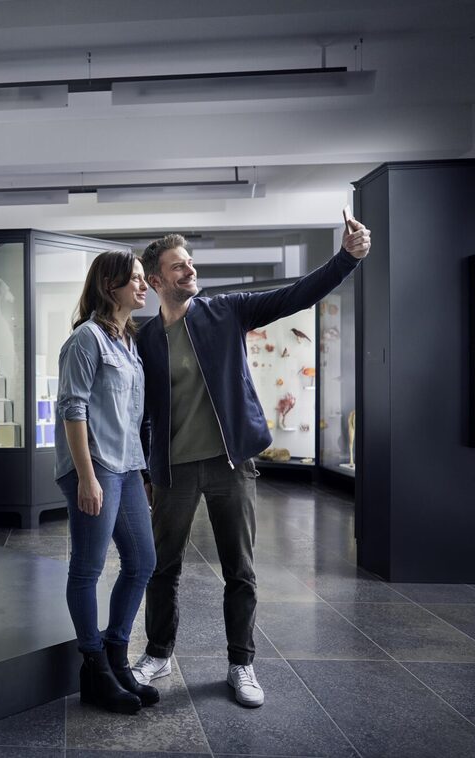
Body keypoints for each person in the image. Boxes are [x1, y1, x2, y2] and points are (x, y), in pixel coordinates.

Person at [132, 212, 372, 707]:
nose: (189, 271)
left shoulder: (227, 311)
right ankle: (157, 653)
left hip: (229, 465)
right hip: (173, 471)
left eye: (190, 263)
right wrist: (145, 470)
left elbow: (296, 295)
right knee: (162, 568)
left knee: (239, 570)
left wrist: (346, 258)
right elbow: (142, 411)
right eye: (178, 266)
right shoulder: (146, 337)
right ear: (156, 280)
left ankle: (242, 664)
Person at [54, 250, 159, 715]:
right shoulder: (87, 340)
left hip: (127, 466)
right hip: (94, 466)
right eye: (134, 279)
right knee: (89, 567)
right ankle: (93, 668)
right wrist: (86, 477)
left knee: (142, 561)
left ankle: (117, 656)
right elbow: (73, 408)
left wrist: (142, 471)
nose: (143, 286)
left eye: (142, 279)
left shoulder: (129, 345)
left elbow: (131, 417)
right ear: (109, 286)